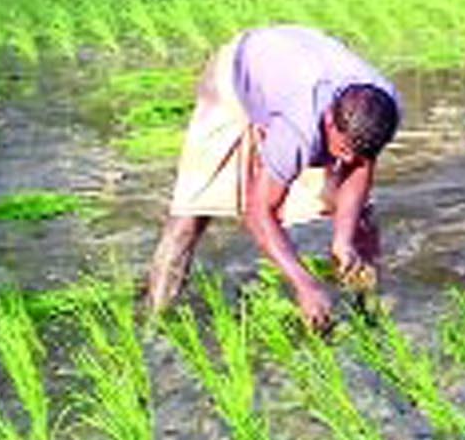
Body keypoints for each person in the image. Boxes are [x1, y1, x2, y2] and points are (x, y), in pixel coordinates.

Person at [144, 26, 401, 331]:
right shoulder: (300, 127)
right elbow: (259, 212)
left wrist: (342, 240)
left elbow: (360, 167)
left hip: (295, 67)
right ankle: (155, 322)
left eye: (358, 153)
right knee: (191, 215)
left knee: (360, 219)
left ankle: (369, 317)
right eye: (343, 149)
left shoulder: (384, 109)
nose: (345, 161)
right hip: (239, 74)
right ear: (330, 121)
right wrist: (305, 284)